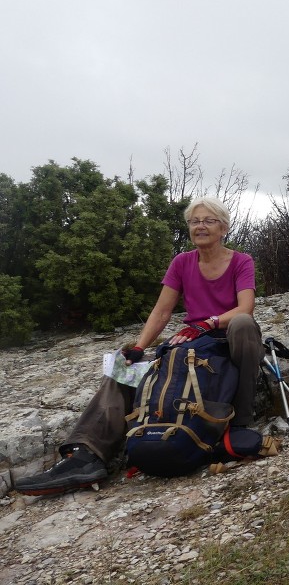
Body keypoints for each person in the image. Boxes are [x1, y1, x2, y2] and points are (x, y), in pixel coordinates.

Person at [17, 197, 263, 496]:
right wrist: (139, 348)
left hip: (225, 337)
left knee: (243, 324)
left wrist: (208, 323)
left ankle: (242, 420)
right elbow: (162, 311)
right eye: (194, 221)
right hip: (191, 343)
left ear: (223, 227)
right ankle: (86, 455)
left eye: (208, 220)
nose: (200, 226)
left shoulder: (241, 261)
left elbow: (245, 307)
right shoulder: (182, 262)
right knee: (126, 366)